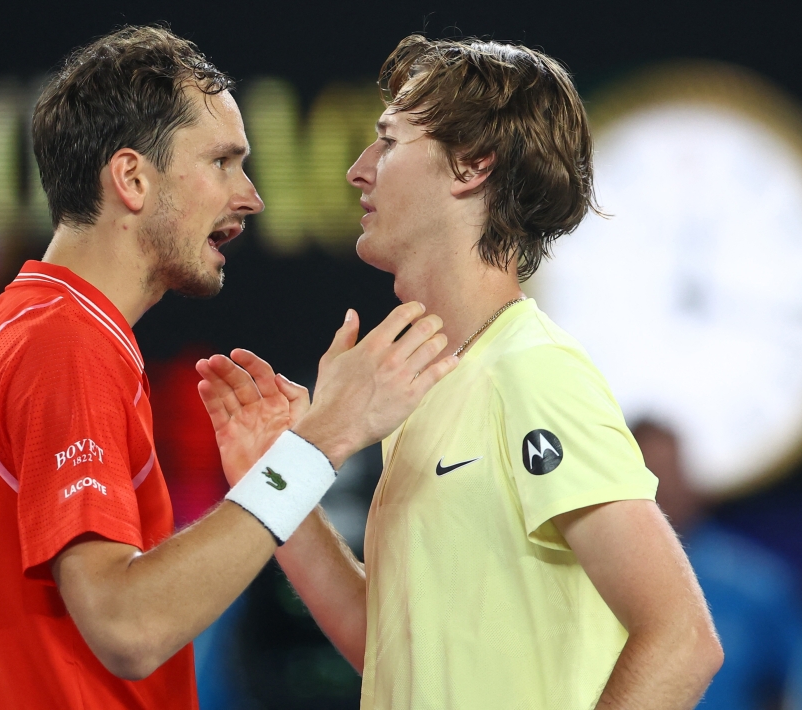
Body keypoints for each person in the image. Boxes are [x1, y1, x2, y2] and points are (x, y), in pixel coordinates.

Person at [0, 26, 457, 710]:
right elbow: (129, 627)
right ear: (132, 178)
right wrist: (320, 442)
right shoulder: (66, 348)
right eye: (223, 162)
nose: (250, 197)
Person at [198, 35, 724, 709]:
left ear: (472, 166)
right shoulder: (432, 390)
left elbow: (682, 637)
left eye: (388, 143)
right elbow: (390, 653)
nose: (359, 170)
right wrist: (279, 483)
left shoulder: (533, 373)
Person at [633, 421, 802, 710]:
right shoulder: (591, 584)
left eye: (670, 472)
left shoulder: (757, 582)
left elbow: (798, 680)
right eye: (649, 474)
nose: (662, 489)